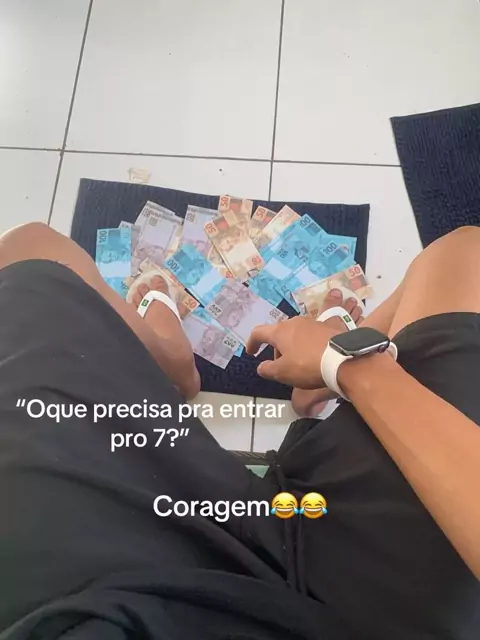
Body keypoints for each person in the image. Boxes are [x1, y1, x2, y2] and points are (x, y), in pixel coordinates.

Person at [0, 222, 478, 639]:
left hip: (109, 589)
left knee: (32, 250)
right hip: (377, 610)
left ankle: (174, 357)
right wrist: (346, 365)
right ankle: (314, 386)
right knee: (464, 255)